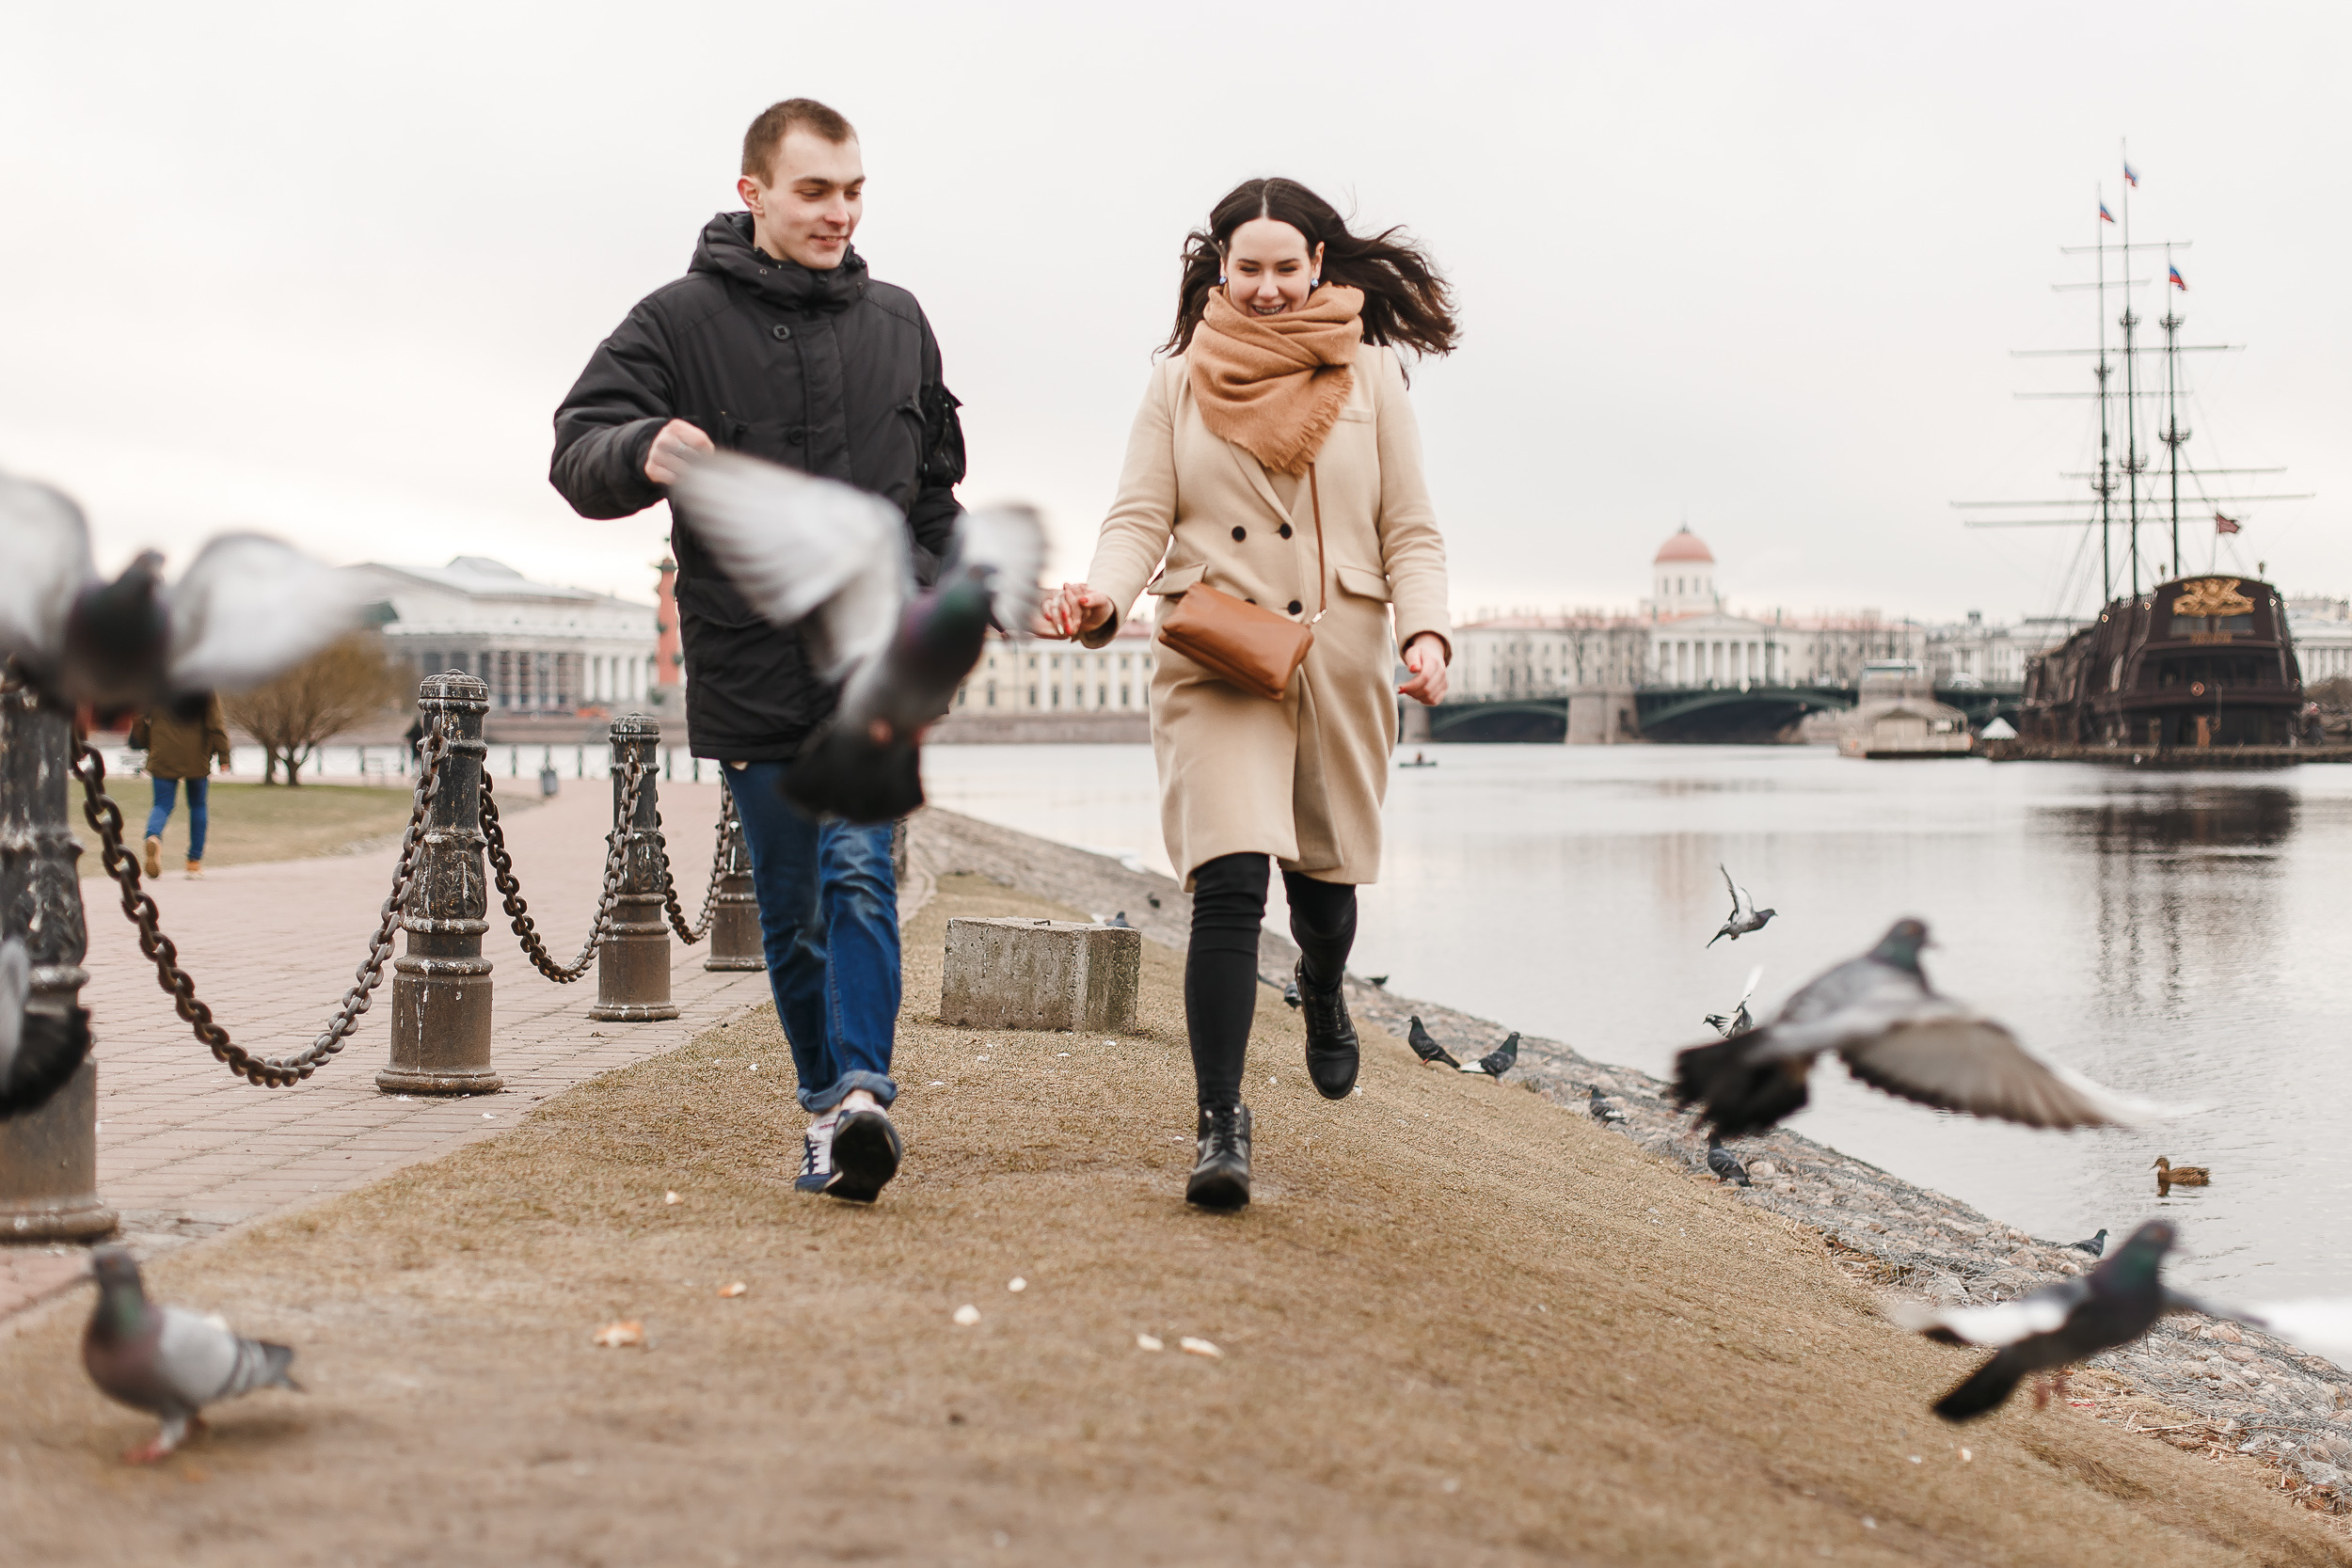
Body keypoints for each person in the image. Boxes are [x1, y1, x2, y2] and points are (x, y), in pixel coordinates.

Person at [549, 98, 966, 1204]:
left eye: (854, 189)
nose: (840, 211)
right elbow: (575, 448)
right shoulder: (676, 321)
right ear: (755, 195)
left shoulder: (901, 321)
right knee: (792, 910)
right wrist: (641, 446)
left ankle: (864, 1097)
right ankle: (825, 1110)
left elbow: (936, 497)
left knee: (859, 867)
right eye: (815, 190)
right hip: (748, 663)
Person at [1044, 178, 1456, 1210]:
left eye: (1286, 268)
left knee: (1323, 892)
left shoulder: (1371, 377)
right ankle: (1219, 1123)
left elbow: (1409, 528)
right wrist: (1101, 595)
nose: (1267, 288)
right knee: (1228, 882)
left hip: (1337, 653)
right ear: (1218, 267)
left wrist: (1429, 630)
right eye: (1247, 268)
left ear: (1320, 263)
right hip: (1215, 650)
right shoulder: (1177, 382)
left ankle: (1322, 988)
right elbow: (1140, 511)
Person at [129, 698, 232, 879]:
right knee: (198, 806)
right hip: (197, 755)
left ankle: (153, 837)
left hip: (163, 752)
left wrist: (148, 742)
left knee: (162, 804)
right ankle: (193, 863)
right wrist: (224, 755)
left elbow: (139, 716)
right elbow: (215, 723)